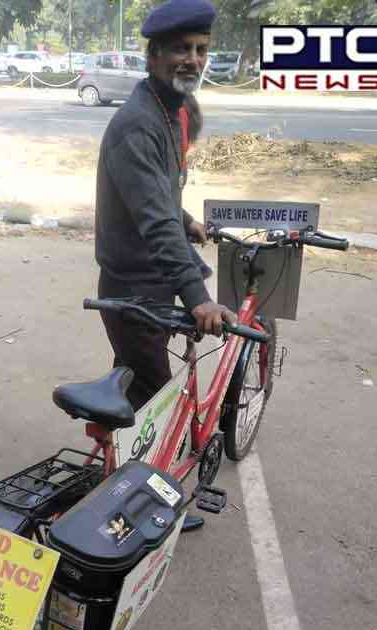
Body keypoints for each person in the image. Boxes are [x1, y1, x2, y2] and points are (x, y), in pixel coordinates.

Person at [92, 0, 235, 531]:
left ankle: (117, 475)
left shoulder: (166, 109)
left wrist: (183, 218)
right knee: (158, 402)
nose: (193, 60)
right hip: (135, 288)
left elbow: (153, 196)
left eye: (200, 50)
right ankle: (146, 505)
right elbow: (151, 223)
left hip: (144, 281)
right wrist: (198, 297)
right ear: (153, 55)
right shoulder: (139, 123)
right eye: (181, 49)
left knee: (133, 386)